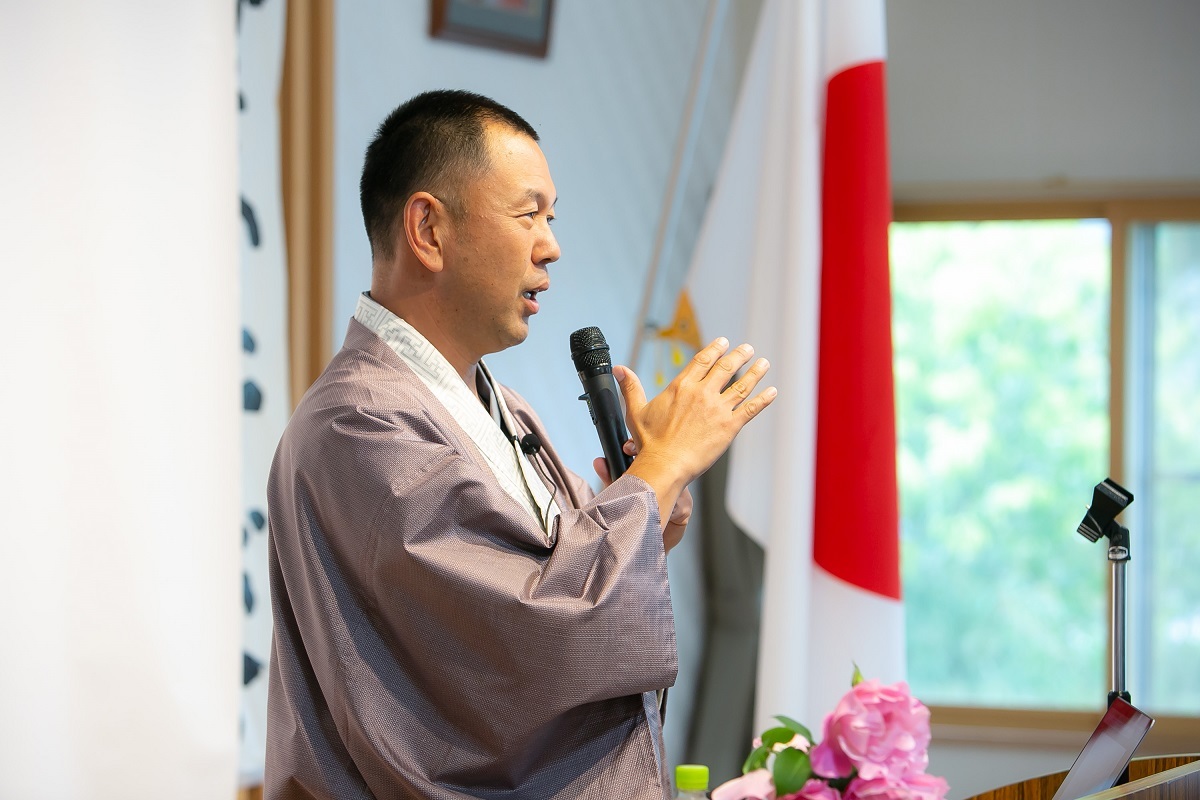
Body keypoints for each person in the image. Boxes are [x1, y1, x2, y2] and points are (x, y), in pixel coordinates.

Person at [265, 89, 776, 800]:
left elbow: (562, 589)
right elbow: (525, 639)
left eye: (552, 217)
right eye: (528, 213)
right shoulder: (359, 423)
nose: (551, 245)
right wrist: (658, 470)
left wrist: (652, 509)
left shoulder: (505, 410)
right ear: (428, 229)